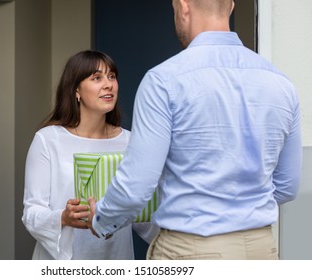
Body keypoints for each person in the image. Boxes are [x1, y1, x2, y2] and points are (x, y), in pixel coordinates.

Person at [88, 0, 302, 260]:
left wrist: (100, 221)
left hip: (192, 251)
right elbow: (287, 186)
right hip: (262, 250)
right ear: (231, 7)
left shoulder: (163, 81)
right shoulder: (281, 83)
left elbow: (136, 187)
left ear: (183, 6)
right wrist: (241, 211)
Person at [22, 50, 157, 260]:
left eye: (112, 76)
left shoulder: (131, 142)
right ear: (76, 89)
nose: (108, 84)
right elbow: (31, 213)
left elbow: (143, 216)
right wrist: (63, 218)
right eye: (97, 78)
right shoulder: (48, 140)